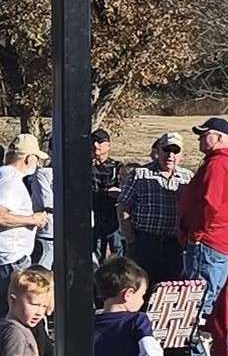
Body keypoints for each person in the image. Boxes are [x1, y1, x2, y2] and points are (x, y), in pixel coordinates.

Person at [0, 134, 48, 316]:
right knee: (17, 311)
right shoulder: (10, 180)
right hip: (10, 258)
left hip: (0, 257)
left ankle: (1, 343)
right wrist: (33, 219)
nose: (37, 163)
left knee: (5, 308)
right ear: (28, 158)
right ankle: (12, 343)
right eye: (36, 158)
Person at [117, 134, 191, 288]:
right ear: (158, 151)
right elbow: (123, 207)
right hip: (145, 242)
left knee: (170, 288)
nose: (170, 155)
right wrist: (131, 239)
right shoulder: (140, 174)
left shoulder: (188, 177)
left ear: (181, 155)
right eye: (166, 150)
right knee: (140, 287)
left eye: (175, 151)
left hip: (174, 245)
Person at [178, 117, 228, 321]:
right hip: (219, 241)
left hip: (207, 242)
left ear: (219, 138)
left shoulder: (217, 164)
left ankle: (195, 350)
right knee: (210, 295)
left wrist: (196, 234)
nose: (199, 139)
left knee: (199, 298)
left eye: (204, 135)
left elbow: (211, 202)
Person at [91, 129, 122, 259]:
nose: (96, 145)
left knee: (117, 250)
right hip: (93, 217)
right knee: (94, 252)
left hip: (113, 218)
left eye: (100, 141)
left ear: (108, 145)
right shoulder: (83, 167)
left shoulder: (117, 167)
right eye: (93, 142)